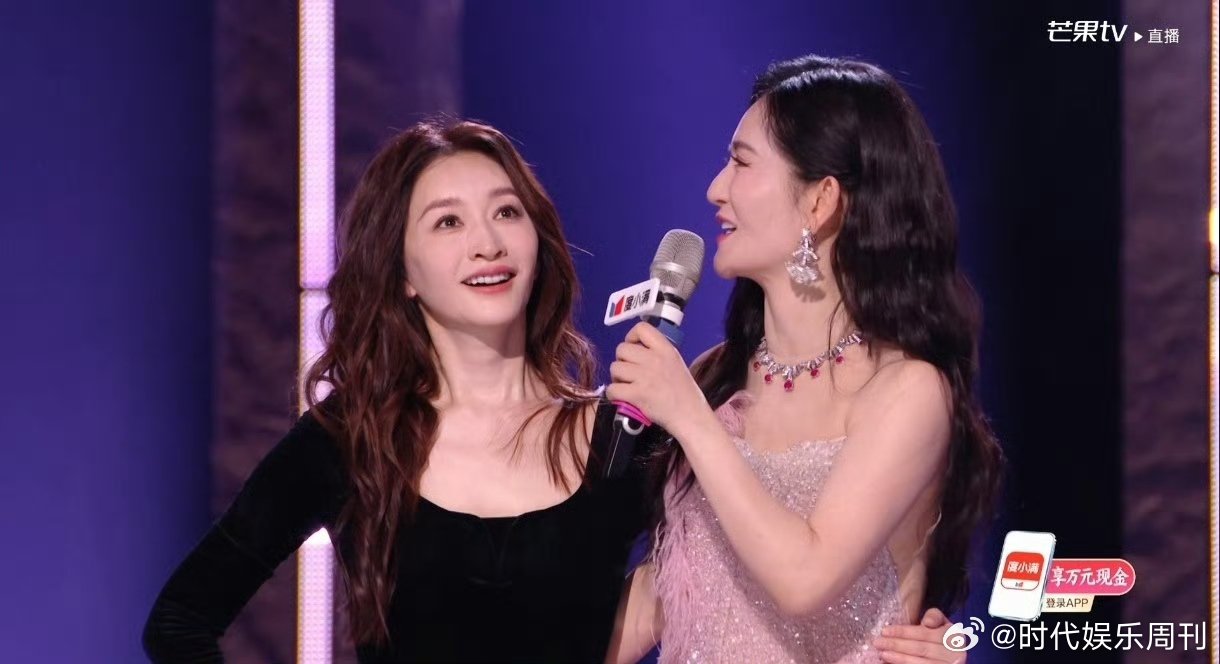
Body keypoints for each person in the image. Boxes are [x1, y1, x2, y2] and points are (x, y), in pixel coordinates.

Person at [142, 119, 651, 662]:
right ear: (402, 271)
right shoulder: (351, 439)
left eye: (506, 212)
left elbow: (697, 583)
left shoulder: (620, 437)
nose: (488, 244)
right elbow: (179, 621)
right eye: (448, 222)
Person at [605, 55, 1004, 664]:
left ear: (821, 202)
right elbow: (661, 599)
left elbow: (804, 580)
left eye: (741, 163)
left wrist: (689, 418)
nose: (715, 189)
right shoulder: (716, 377)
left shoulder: (906, 390)